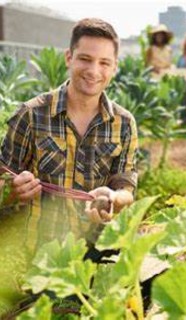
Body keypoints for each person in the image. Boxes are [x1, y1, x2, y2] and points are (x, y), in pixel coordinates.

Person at [0, 18, 138, 250]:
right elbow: (3, 176)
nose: (94, 71)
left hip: (96, 252)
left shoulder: (123, 123)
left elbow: (126, 186)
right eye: (85, 59)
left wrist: (114, 199)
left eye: (104, 62)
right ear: (69, 58)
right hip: (36, 254)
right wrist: (12, 190)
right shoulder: (31, 115)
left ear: (115, 67)